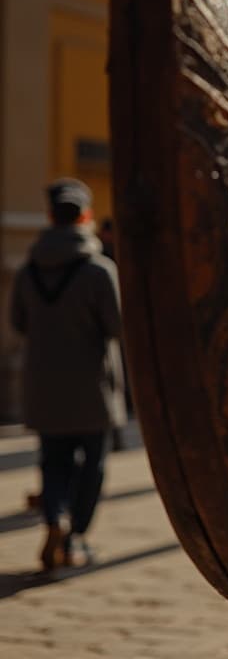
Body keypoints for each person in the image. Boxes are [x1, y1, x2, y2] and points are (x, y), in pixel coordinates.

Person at [9, 179, 125, 571]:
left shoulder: (27, 270)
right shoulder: (99, 271)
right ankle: (75, 536)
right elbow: (116, 326)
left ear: (49, 217)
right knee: (92, 463)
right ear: (86, 217)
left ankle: (54, 515)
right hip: (91, 386)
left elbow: (17, 322)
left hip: (43, 385)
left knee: (52, 458)